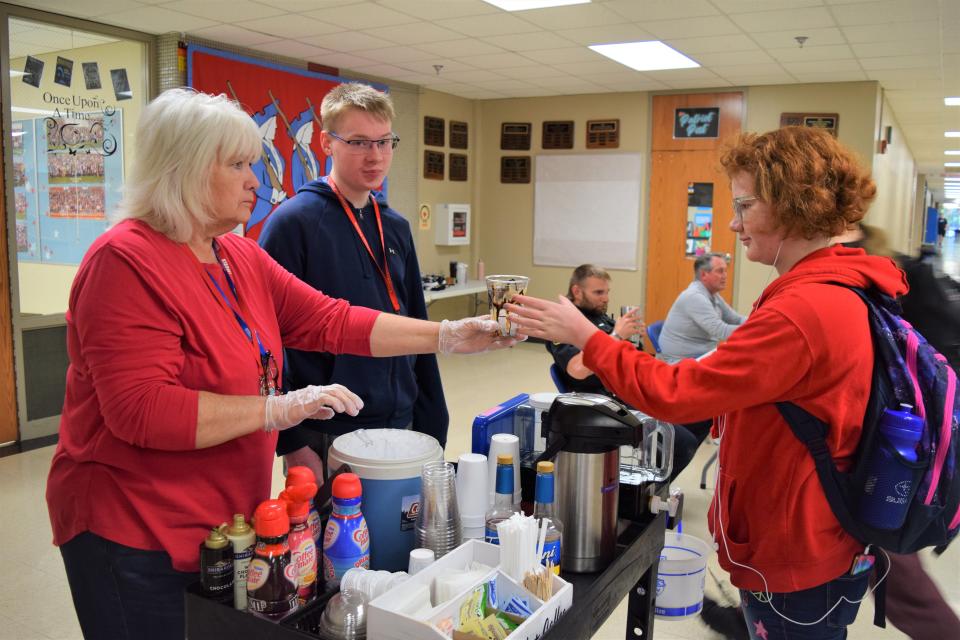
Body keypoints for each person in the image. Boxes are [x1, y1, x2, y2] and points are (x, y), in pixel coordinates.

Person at [45, 88, 513, 640]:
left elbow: (333, 320)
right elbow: (141, 411)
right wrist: (278, 410)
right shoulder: (124, 262)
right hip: (132, 528)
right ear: (186, 170)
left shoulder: (235, 255)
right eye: (239, 165)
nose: (256, 181)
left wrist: (447, 335)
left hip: (224, 523)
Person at [509, 126, 905, 640]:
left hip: (797, 550)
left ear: (793, 204)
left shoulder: (804, 309)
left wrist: (587, 336)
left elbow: (675, 393)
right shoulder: (832, 286)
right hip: (818, 535)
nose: (735, 223)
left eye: (745, 205)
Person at [259, 83, 449, 484]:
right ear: (327, 142)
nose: (376, 156)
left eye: (384, 142)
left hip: (400, 418)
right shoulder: (294, 223)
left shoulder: (394, 226)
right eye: (359, 142)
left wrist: (434, 419)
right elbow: (268, 344)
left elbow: (417, 322)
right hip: (326, 428)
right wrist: (291, 443)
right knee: (336, 543)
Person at [546, 264, 644, 395]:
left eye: (607, 292)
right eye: (598, 293)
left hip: (624, 388)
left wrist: (633, 336)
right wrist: (617, 336)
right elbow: (578, 370)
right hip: (598, 399)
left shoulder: (596, 313)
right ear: (577, 292)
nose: (606, 299)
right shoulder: (561, 323)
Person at [658, 252, 746, 363]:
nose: (725, 275)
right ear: (704, 275)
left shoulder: (713, 294)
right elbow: (721, 331)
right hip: (680, 360)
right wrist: (756, 329)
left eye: (725, 271)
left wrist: (758, 321)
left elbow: (735, 318)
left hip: (701, 354)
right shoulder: (694, 297)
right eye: (720, 271)